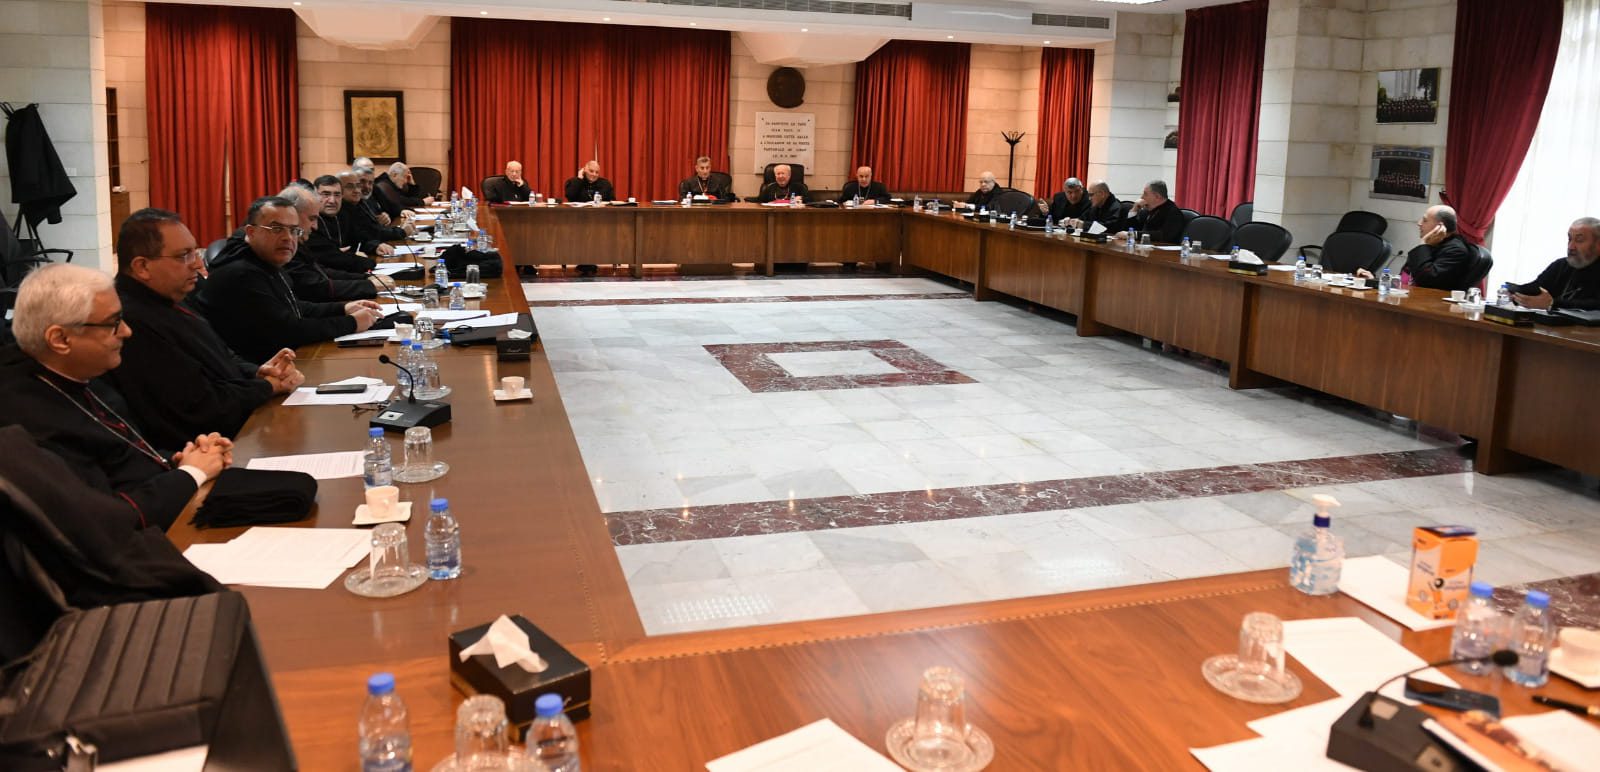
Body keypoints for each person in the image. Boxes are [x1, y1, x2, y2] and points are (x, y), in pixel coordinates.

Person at [0, 263, 234, 530]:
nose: (126, 331)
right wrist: (191, 473)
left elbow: (120, 456)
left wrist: (180, 459)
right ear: (60, 339)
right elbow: (103, 518)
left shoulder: (76, 373)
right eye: (113, 323)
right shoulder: (27, 418)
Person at [105, 208, 304, 451]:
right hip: (206, 448)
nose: (198, 264)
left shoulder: (171, 296)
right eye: (184, 256)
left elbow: (221, 355)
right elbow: (199, 405)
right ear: (142, 267)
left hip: (236, 420)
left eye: (195, 253)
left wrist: (258, 372)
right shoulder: (131, 322)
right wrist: (267, 386)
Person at [194, 196, 383, 363]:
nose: (288, 238)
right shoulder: (240, 272)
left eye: (293, 230)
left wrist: (343, 308)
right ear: (251, 232)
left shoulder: (264, 259)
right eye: (276, 229)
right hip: (258, 372)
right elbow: (289, 331)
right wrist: (352, 322)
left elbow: (291, 306)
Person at [270, 185, 380, 302]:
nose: (315, 227)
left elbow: (320, 271)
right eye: (312, 219)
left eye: (337, 194)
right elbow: (314, 287)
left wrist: (366, 278)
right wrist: (368, 284)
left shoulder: (298, 241)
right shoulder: (283, 247)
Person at [1510, 217, 1600, 311]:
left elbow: (1596, 305)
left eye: (1579, 240)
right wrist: (1515, 292)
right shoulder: (1561, 265)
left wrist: (1552, 303)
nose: (1571, 247)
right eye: (1569, 239)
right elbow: (1537, 288)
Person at [1114, 180, 1184, 244]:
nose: (1142, 197)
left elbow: (1163, 235)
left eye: (1145, 194)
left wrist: (1134, 234)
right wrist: (1134, 210)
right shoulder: (1147, 210)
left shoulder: (1173, 212)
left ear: (1157, 197)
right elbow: (1129, 230)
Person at [356, 165, 413, 239]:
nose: (367, 186)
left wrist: (386, 216)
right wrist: (402, 232)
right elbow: (369, 232)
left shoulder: (368, 195)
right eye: (362, 181)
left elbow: (388, 206)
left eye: (370, 183)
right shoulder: (354, 202)